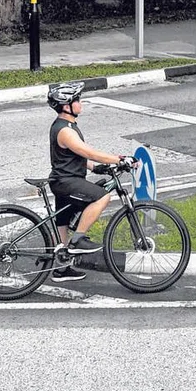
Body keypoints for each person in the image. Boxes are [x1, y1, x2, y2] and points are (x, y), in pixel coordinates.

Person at [46, 82, 135, 282]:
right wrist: (119, 160)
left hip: (63, 180)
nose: (80, 102)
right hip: (67, 182)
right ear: (66, 105)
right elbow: (87, 152)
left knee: (62, 223)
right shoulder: (65, 131)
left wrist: (95, 168)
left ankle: (61, 268)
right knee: (103, 196)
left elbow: (72, 156)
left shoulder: (67, 126)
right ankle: (79, 240)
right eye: (77, 99)